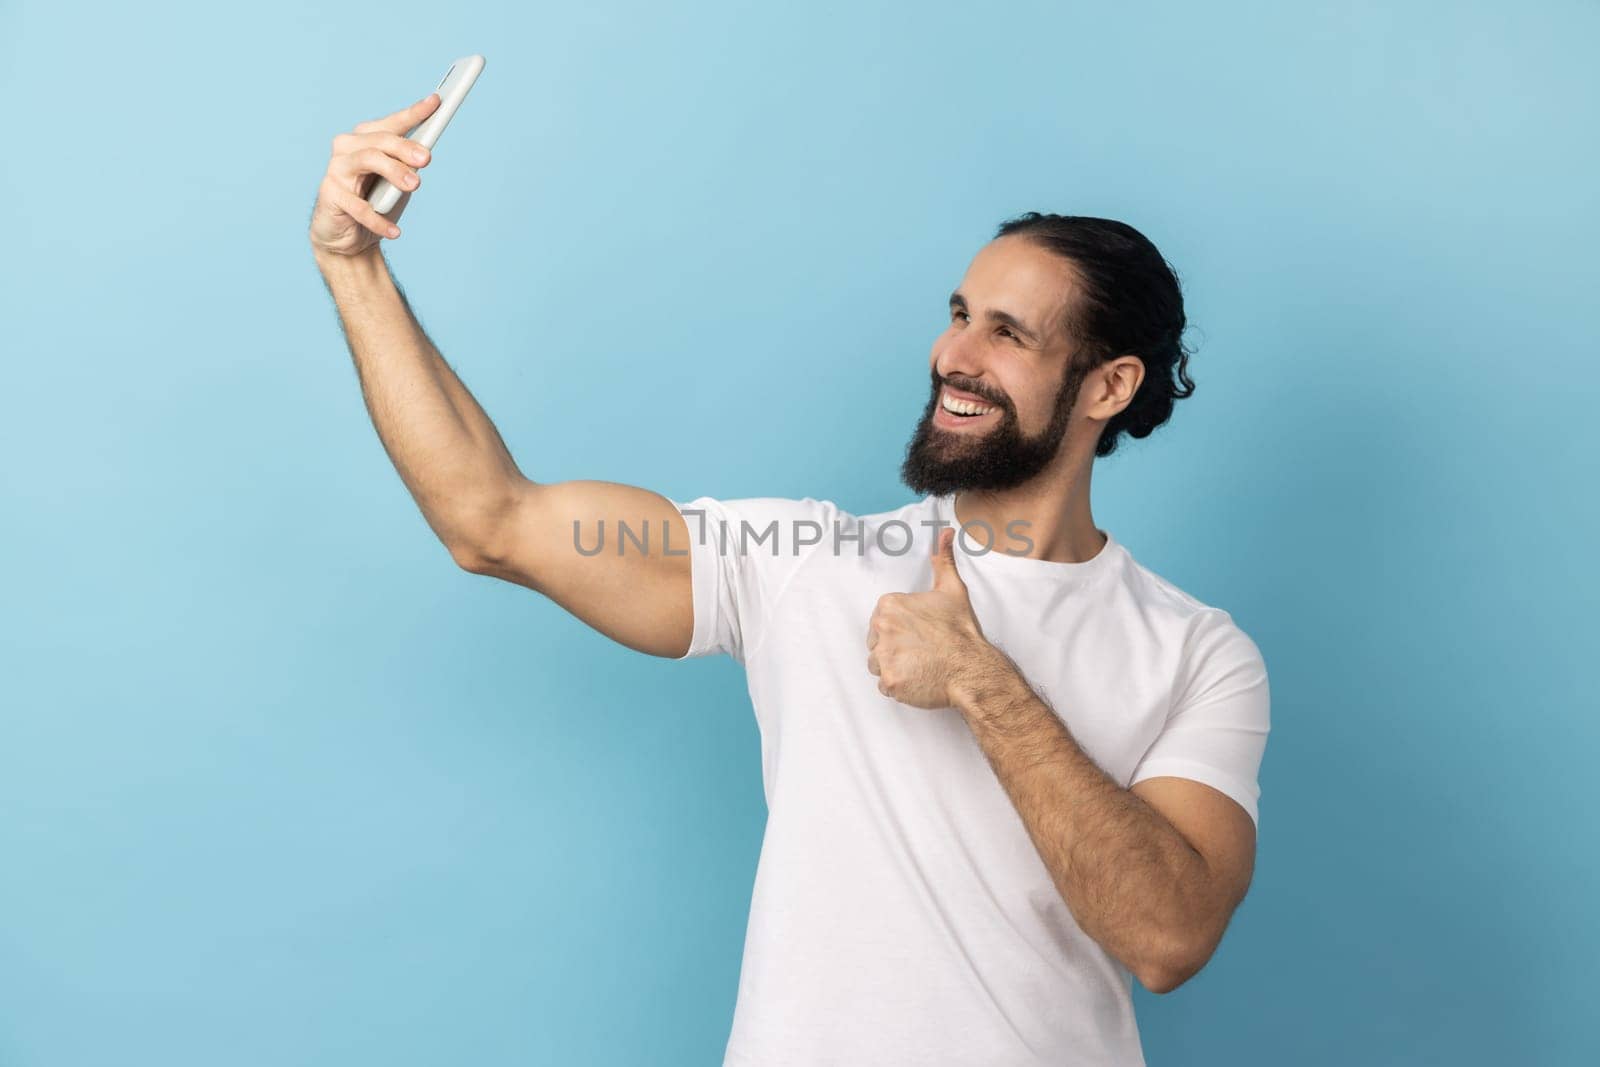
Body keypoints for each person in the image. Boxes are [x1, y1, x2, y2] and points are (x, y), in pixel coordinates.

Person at [309, 93, 1271, 1067]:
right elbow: (493, 520)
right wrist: (354, 267)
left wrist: (987, 685)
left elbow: (1167, 937)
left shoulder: (1197, 651)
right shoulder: (801, 559)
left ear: (1108, 386)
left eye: (1007, 335)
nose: (953, 356)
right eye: (957, 316)